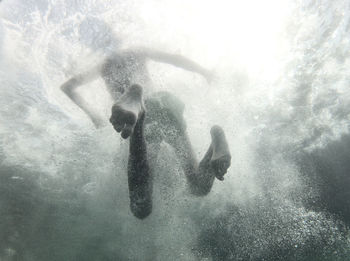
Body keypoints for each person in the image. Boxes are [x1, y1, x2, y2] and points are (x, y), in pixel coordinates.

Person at [60, 21, 231, 219]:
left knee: (141, 205)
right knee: (198, 186)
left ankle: (136, 105)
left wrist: (94, 116)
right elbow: (175, 59)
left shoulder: (103, 67)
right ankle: (217, 136)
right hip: (166, 106)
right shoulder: (137, 52)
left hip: (143, 116)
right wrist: (204, 72)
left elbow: (67, 87)